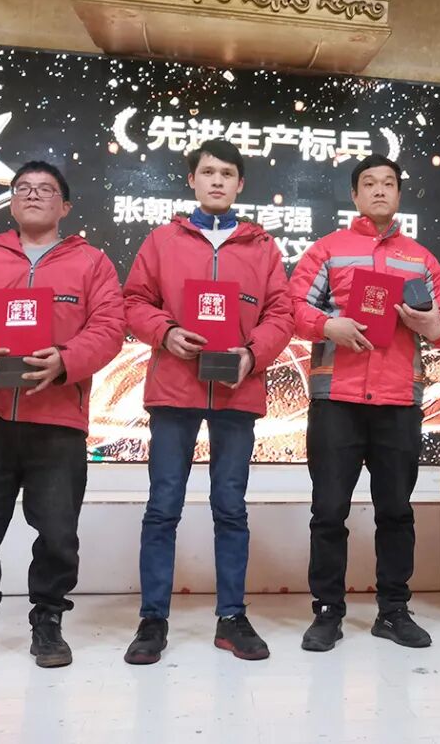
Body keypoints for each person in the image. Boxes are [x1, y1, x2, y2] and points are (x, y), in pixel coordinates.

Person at [0, 160, 126, 673]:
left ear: (66, 206)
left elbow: (109, 326)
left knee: (58, 532)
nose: (33, 195)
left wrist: (66, 361)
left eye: (46, 189)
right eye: (23, 188)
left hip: (57, 422)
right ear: (12, 201)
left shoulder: (92, 263)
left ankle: (48, 621)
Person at [121, 138, 293, 663]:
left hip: (237, 388)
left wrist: (253, 354)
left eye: (227, 173)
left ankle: (231, 617)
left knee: (231, 507)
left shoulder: (263, 247)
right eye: (208, 172)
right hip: (175, 388)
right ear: (192, 180)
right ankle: (153, 619)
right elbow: (134, 301)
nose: (217, 180)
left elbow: (281, 313)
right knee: (163, 506)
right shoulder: (162, 240)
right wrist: (166, 332)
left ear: (240, 184)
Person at [288, 154, 440, 652]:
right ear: (355, 195)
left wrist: (431, 324)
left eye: (388, 183)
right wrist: (329, 326)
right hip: (336, 399)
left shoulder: (421, 259)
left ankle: (394, 610)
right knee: (328, 510)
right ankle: (327, 611)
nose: (379, 190)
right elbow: (293, 308)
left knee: (396, 511)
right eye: (369, 183)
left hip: (398, 400)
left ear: (399, 194)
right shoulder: (328, 250)